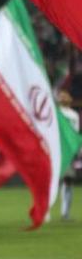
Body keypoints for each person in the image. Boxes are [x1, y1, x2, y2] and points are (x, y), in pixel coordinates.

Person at [58, 91, 80, 220]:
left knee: (67, 181)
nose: (63, 98)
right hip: (61, 150)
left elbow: (75, 134)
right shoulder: (57, 113)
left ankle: (65, 212)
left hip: (67, 151)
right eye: (61, 97)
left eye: (65, 96)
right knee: (63, 182)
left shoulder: (73, 115)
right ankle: (61, 212)